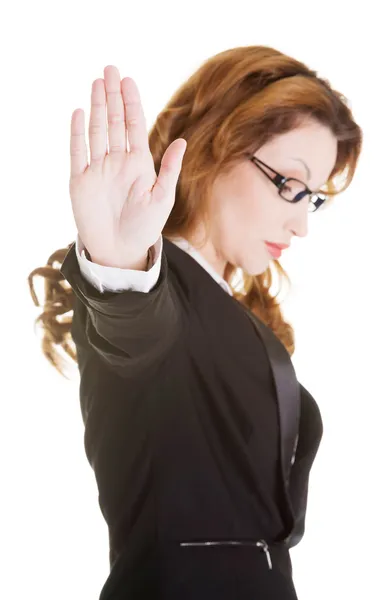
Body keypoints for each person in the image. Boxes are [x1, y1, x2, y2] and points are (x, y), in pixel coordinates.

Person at [28, 45, 362, 599]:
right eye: (289, 185)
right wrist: (120, 264)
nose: (301, 223)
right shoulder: (159, 284)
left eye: (314, 198)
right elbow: (133, 327)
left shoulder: (228, 305)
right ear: (218, 145)